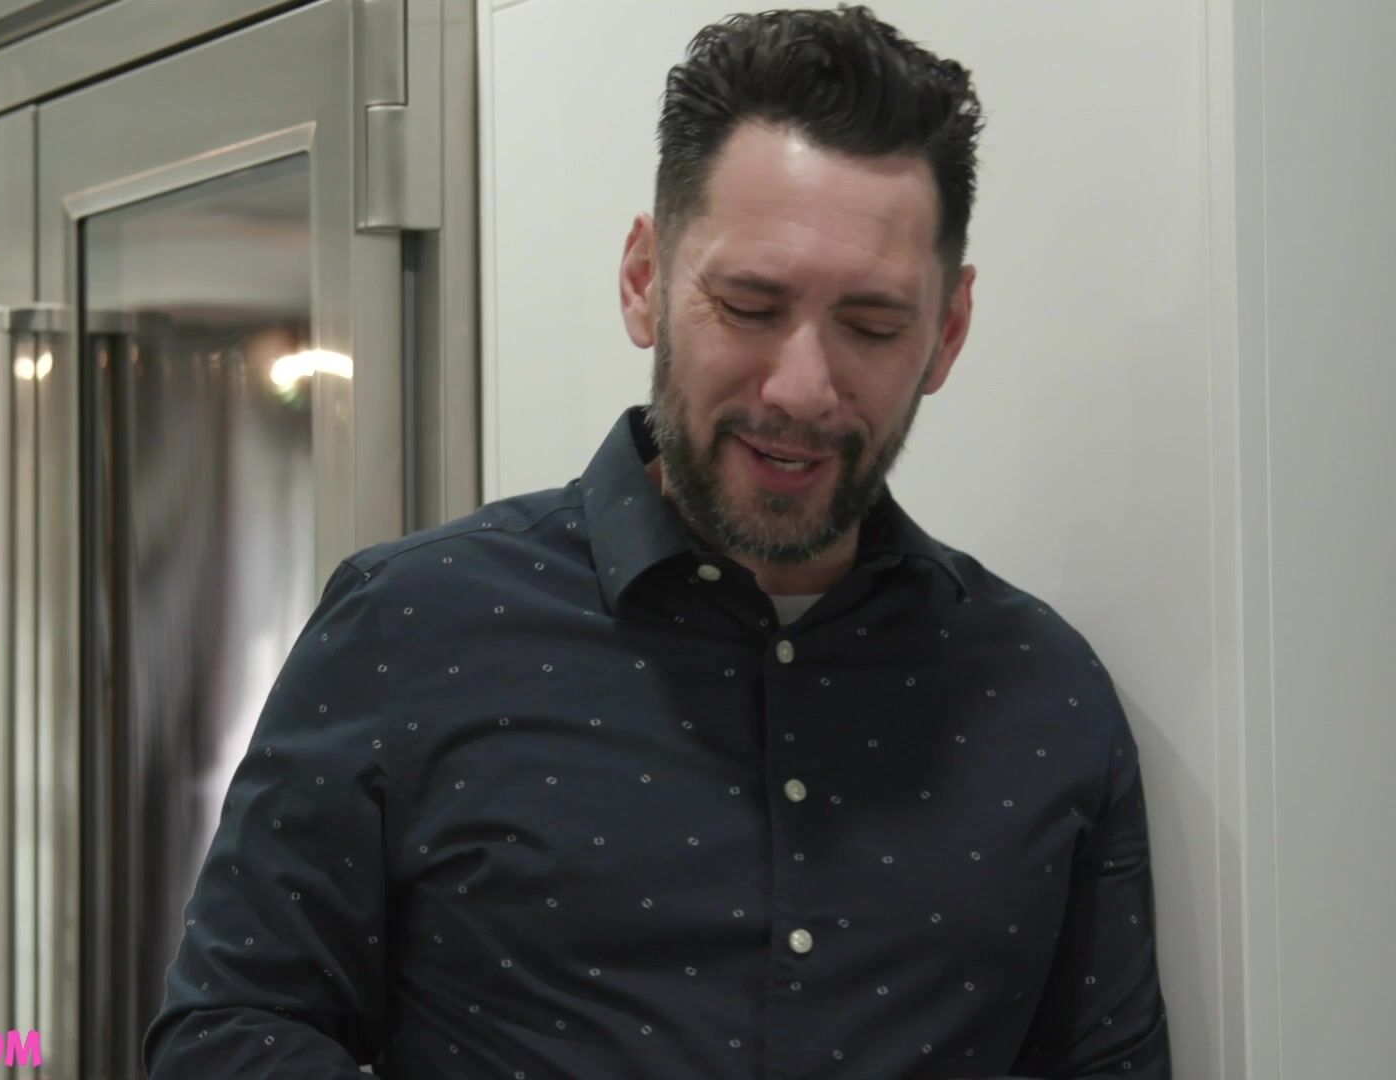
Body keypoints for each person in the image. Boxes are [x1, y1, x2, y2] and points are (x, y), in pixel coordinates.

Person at [142, 5, 1170, 1077]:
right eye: (751, 305)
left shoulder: (1043, 696)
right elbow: (229, 1035)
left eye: (872, 326)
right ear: (645, 280)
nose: (802, 388)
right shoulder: (408, 629)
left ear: (947, 333)